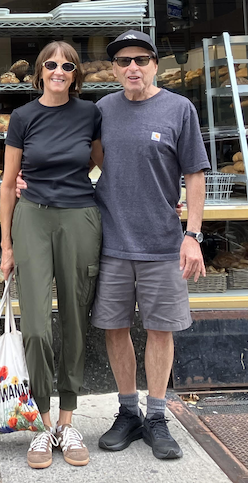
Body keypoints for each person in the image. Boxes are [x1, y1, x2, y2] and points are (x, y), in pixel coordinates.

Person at [91, 29, 209, 461]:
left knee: (161, 330)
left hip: (162, 244)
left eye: (141, 59)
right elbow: (85, 162)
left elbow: (195, 174)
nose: (132, 67)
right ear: (115, 69)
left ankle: (156, 417)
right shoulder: (102, 109)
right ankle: (128, 412)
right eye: (123, 61)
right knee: (115, 328)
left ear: (156, 64)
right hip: (112, 243)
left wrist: (192, 236)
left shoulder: (179, 109)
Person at [0, 41, 102, 470]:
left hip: (79, 218)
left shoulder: (91, 113)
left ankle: (67, 421)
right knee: (37, 326)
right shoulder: (23, 117)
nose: (59, 70)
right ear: (40, 72)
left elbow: (104, 166)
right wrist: (5, 245)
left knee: (76, 317)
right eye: (51, 64)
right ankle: (41, 427)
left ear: (75, 75)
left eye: (67, 65)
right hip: (33, 220)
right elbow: (7, 184)